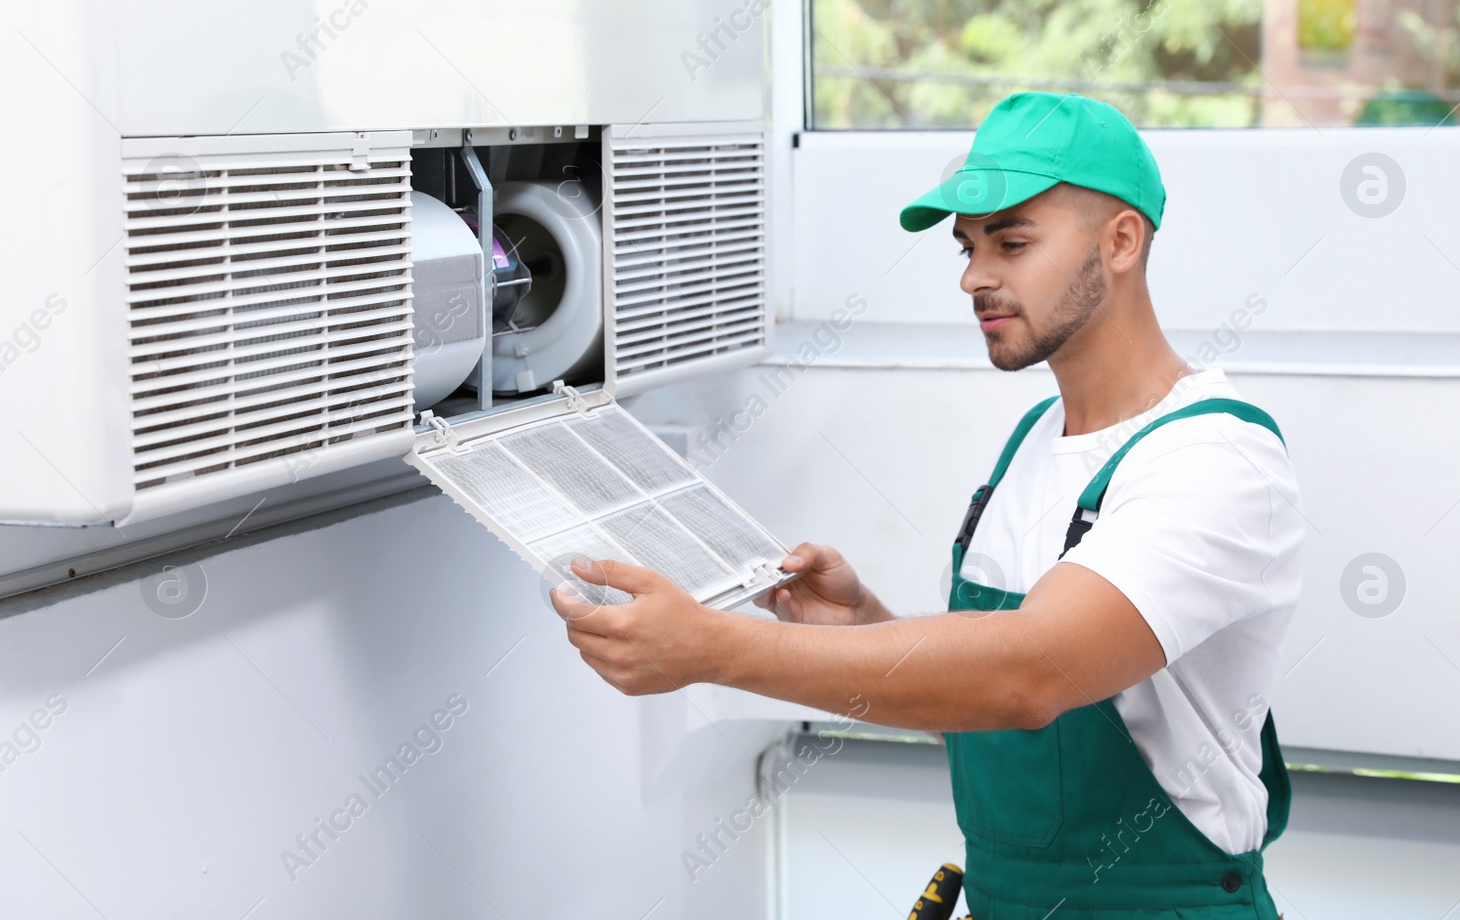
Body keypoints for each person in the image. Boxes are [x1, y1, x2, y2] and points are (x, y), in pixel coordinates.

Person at [551, 92, 1305, 919]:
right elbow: (994, 714)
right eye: (969, 246)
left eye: (1012, 242)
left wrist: (709, 649)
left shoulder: (1215, 459)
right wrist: (863, 629)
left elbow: (1032, 672)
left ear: (1121, 240)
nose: (974, 276)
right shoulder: (1032, 441)